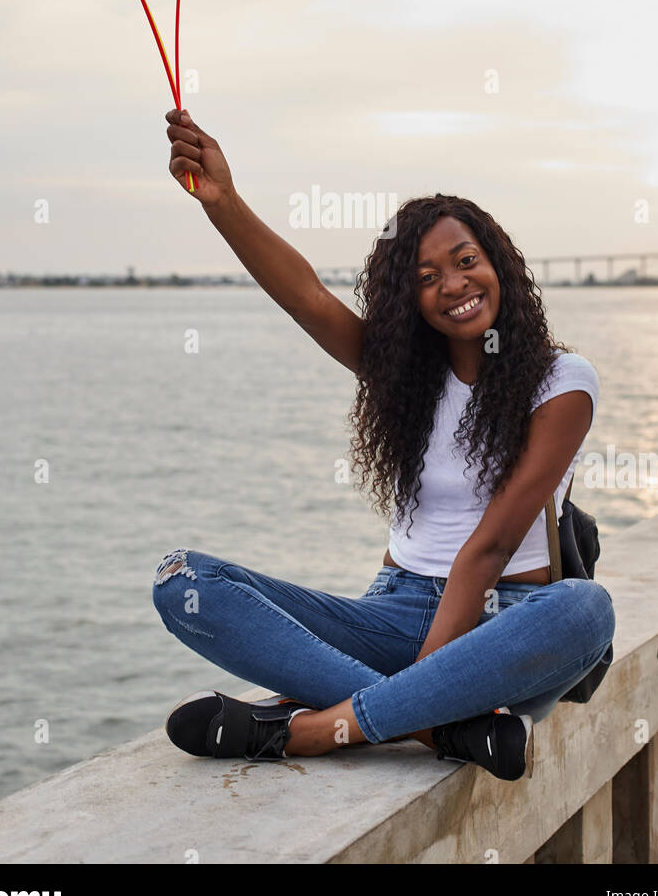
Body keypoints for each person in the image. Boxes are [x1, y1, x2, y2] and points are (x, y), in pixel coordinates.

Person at [152, 108, 616, 781]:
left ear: (499, 266)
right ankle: (443, 726)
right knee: (183, 583)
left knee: (586, 610)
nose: (454, 285)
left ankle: (311, 729)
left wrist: (431, 670)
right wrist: (221, 201)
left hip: (501, 623)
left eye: (465, 262)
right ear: (410, 301)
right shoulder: (403, 376)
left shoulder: (563, 384)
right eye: (428, 278)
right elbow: (306, 296)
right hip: (393, 611)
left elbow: (486, 550)